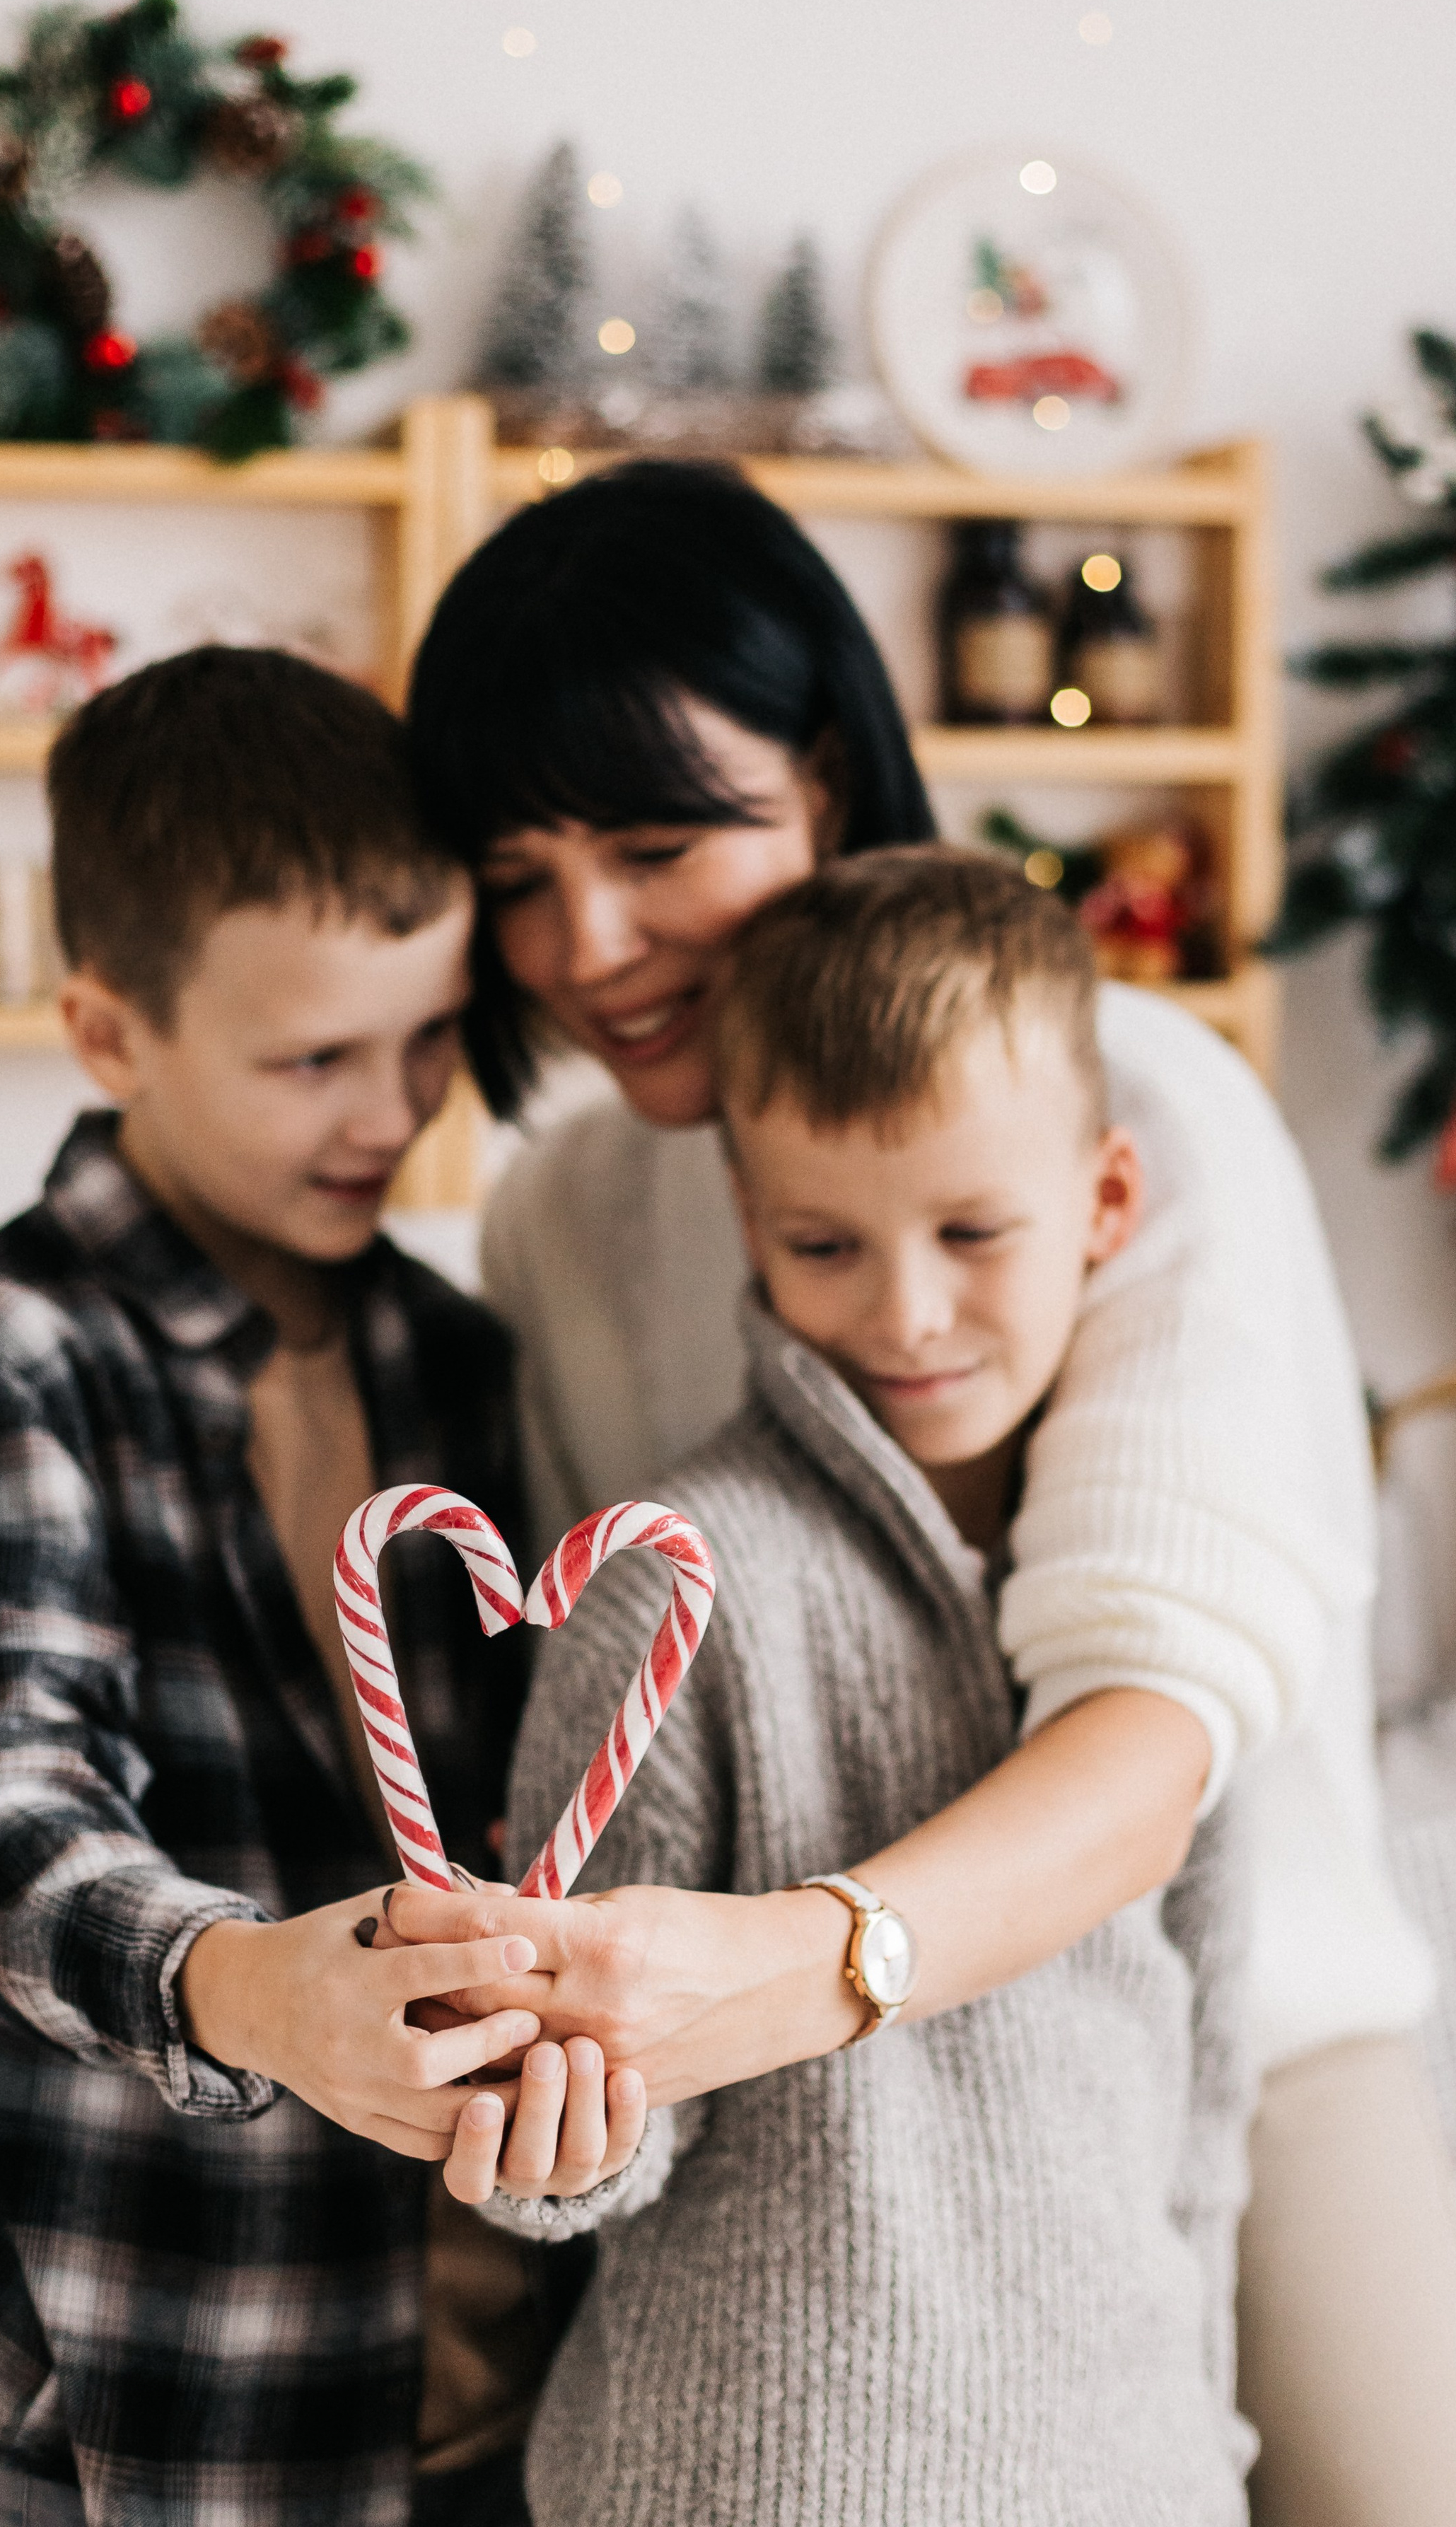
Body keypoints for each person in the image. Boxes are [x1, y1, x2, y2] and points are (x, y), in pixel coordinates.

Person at [400, 464, 1456, 2527]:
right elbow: (635, 1713)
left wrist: (792, 1958)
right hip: (801, 2150)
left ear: (829, 776)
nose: (589, 940)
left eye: (662, 843)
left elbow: (1149, 1730)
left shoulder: (1137, 1105)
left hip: (1231, 2042)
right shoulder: (562, 1211)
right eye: (517, 872)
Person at [453, 849, 1257, 2526]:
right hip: (741, 2475)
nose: (905, 1312)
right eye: (825, 1242)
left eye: (972, 1231)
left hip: (1125, 2466)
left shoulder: (1163, 1574)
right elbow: (592, 2134)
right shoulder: (674, 1579)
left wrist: (1206, 2428)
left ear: (1105, 1202)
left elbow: (1204, 2077)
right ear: (749, 1217)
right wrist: (548, 2134)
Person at [0, 649, 617, 2527]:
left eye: (425, 1040)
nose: (388, 1114)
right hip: (138, 2394)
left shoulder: (461, 1357)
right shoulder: (7, 1356)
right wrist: (241, 1987)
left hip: (478, 2372)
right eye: (311, 1058)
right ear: (108, 1032)